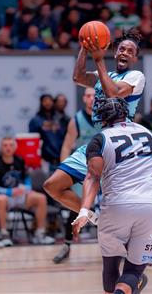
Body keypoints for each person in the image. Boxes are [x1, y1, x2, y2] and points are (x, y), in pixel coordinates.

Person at [43, 28, 145, 225]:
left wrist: (98, 60)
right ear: (115, 52)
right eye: (121, 49)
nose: (124, 53)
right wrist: (84, 47)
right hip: (96, 143)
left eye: (130, 51)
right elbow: (78, 77)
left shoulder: (136, 76)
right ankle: (94, 217)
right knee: (52, 185)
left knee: (121, 204)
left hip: (118, 143)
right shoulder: (104, 75)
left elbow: (114, 92)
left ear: (135, 58)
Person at [72, 97, 152, 294]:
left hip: (117, 206)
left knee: (111, 266)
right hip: (151, 204)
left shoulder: (99, 139)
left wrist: (83, 210)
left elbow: (93, 176)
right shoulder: (148, 133)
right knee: (135, 271)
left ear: (102, 118)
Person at [52, 87, 97, 263]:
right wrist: (64, 170)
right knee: (75, 206)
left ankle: (124, 247)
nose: (91, 98)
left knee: (114, 208)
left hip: (104, 169)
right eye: (88, 95)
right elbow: (66, 146)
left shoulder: (106, 117)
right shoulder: (76, 120)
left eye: (94, 95)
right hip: (82, 168)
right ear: (83, 99)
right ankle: (67, 244)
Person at [0, 137, 55, 246]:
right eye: (5, 145)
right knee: (1, 199)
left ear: (15, 147)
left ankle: (40, 234)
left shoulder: (20, 160)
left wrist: (27, 188)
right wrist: (10, 192)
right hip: (5, 196)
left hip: (20, 195)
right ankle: (3, 234)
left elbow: (27, 179)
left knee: (41, 198)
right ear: (1, 148)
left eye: (10, 145)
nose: (8, 148)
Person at [29, 94, 67, 171]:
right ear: (41, 103)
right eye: (45, 101)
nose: (48, 103)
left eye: (50, 100)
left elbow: (66, 138)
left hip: (62, 159)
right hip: (45, 161)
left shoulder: (61, 119)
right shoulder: (35, 121)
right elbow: (33, 143)